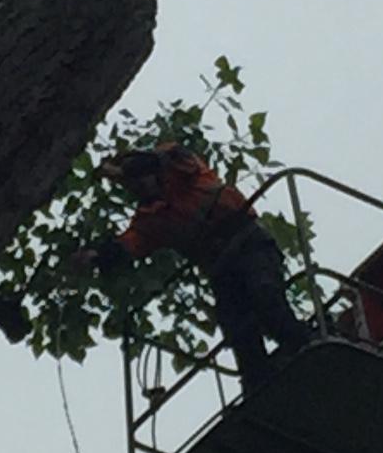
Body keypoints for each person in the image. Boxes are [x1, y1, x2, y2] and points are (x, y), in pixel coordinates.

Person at [86, 144, 313, 385]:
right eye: (130, 184)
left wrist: (120, 169)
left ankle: (305, 344)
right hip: (221, 268)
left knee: (265, 297)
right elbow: (128, 245)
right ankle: (257, 381)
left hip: (249, 245)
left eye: (137, 178)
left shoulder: (180, 168)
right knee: (236, 327)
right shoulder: (150, 220)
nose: (137, 186)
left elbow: (159, 158)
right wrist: (94, 256)